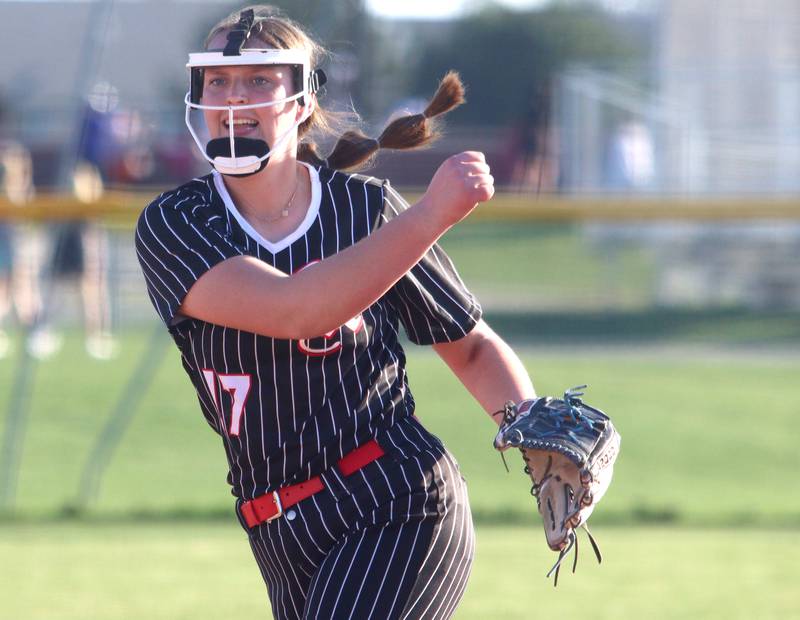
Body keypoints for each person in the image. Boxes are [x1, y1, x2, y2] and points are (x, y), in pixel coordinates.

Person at [135, 6, 535, 619]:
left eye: (258, 80)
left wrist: (531, 430)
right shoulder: (177, 220)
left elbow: (470, 344)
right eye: (219, 80)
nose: (234, 96)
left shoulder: (364, 210)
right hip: (276, 524)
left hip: (394, 497)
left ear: (299, 100)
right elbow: (296, 309)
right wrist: (430, 215)